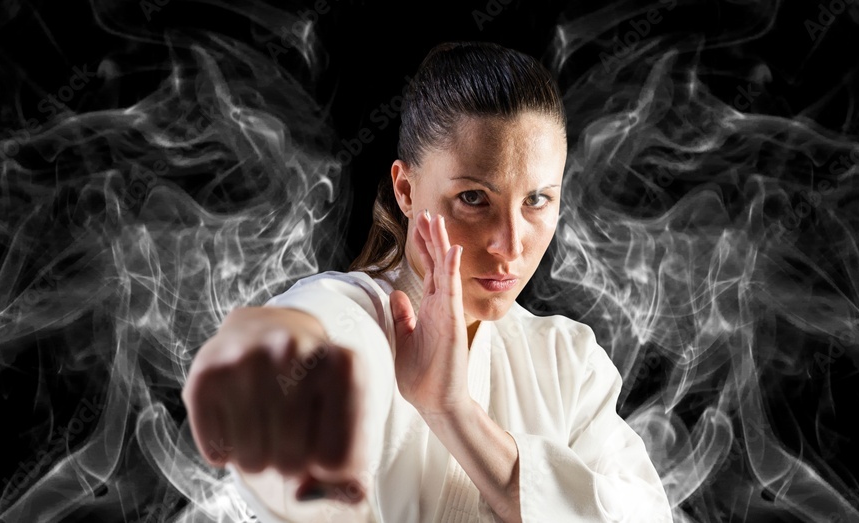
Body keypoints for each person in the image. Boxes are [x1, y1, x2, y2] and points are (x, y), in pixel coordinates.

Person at [182, 41, 673, 522]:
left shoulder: (568, 361)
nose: (510, 244)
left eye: (537, 200)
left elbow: (644, 514)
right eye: (475, 198)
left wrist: (453, 413)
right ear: (406, 189)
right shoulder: (341, 319)